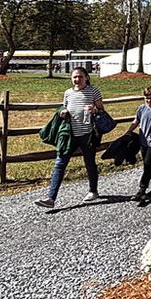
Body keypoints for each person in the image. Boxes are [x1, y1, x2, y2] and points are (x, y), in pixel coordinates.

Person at [35, 67, 104, 208]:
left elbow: (101, 110)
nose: (77, 79)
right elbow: (63, 107)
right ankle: (50, 198)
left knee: (89, 162)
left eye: (80, 77)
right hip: (69, 134)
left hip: (87, 134)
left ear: (86, 77)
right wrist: (62, 112)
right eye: (74, 77)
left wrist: (94, 109)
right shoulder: (68, 93)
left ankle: (93, 191)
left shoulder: (93, 91)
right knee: (60, 163)